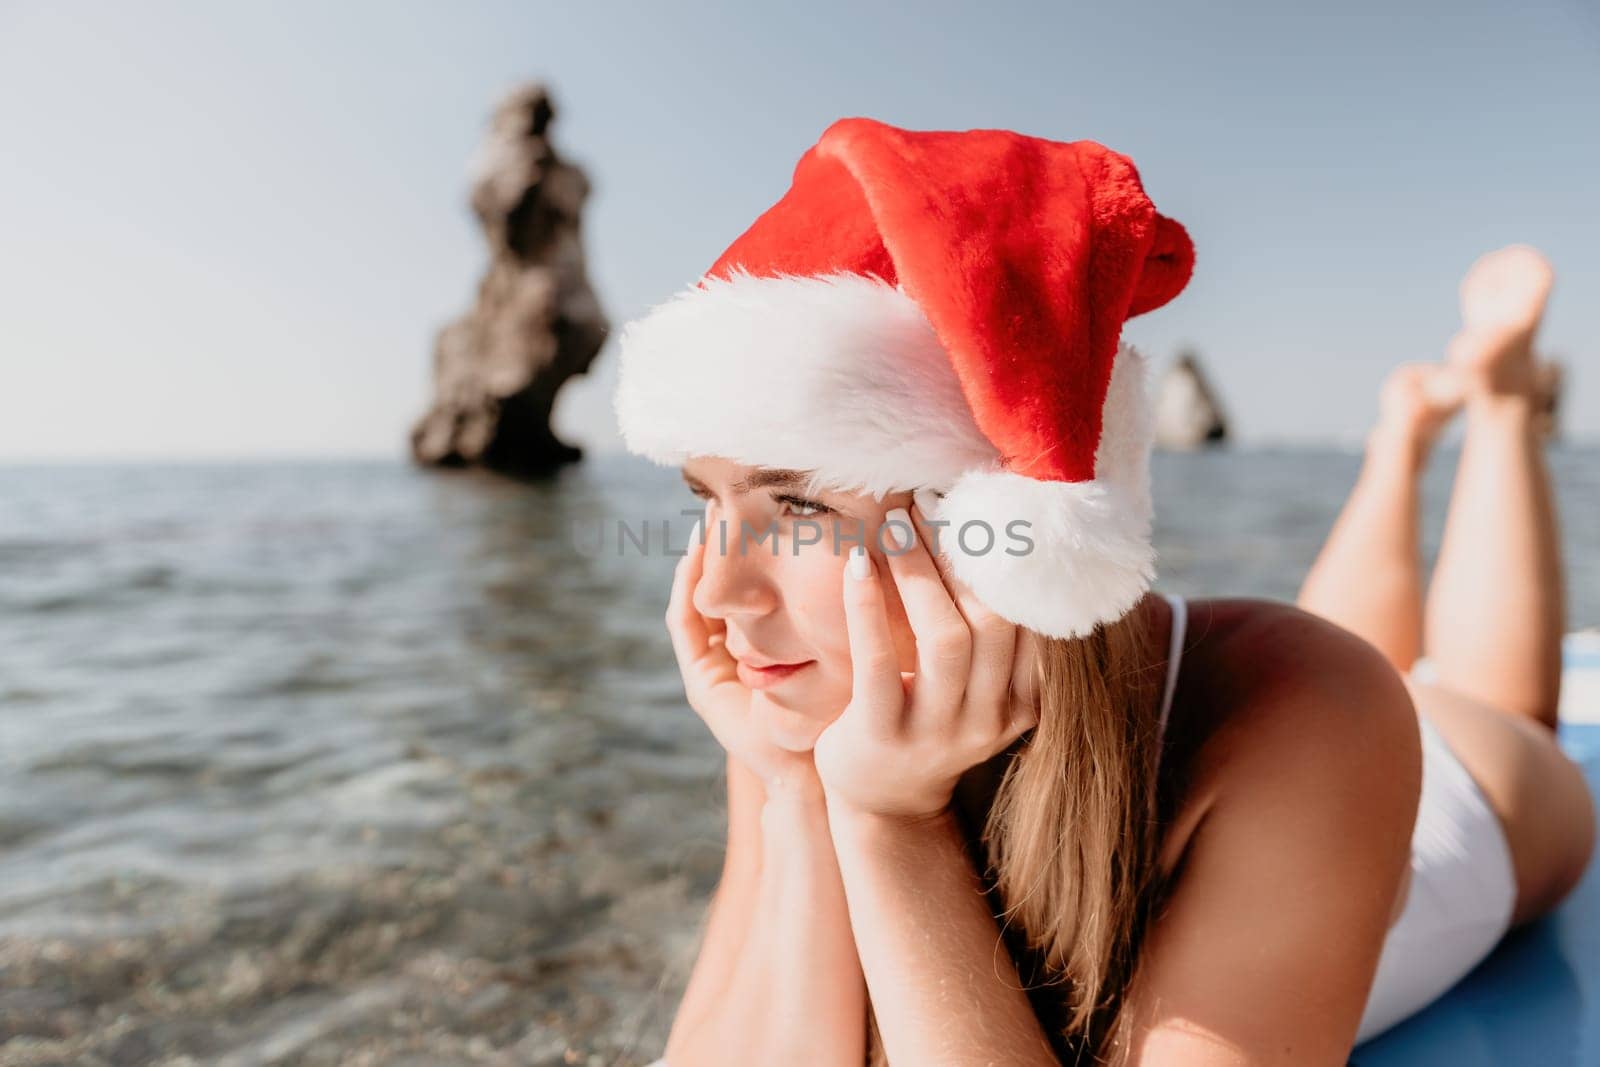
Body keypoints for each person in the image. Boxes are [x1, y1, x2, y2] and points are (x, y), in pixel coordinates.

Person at [611, 118, 1595, 1065]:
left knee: (1475, 696)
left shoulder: (1312, 710)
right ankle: (1400, 439)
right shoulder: (802, 697)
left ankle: (1500, 404)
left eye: (795, 506)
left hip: (1468, 784)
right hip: (1318, 746)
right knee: (1342, 647)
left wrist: (887, 823)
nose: (718, 592)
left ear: (985, 529)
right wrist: (797, 787)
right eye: (705, 499)